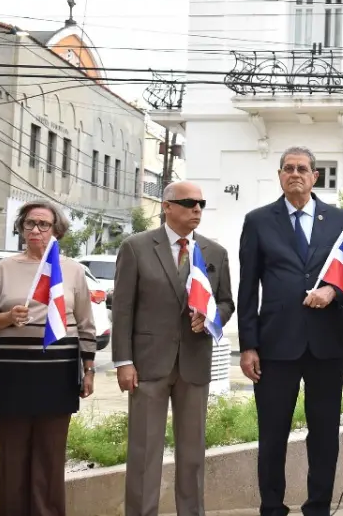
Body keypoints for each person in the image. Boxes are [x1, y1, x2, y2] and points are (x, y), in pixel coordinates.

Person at [238, 147, 343, 516]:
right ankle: (272, 506)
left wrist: (332, 291)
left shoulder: (340, 219)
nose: (295, 174)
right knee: (272, 434)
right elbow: (247, 288)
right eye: (288, 168)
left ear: (315, 176)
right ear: (279, 175)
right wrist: (248, 346)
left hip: (326, 343)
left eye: (302, 169)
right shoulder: (258, 220)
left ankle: (317, 506)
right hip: (275, 345)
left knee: (324, 435)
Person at [111, 181, 235, 516]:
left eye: (201, 204)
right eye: (188, 203)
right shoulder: (136, 247)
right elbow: (123, 308)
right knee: (144, 453)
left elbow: (226, 303)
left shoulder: (215, 252)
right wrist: (123, 361)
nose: (197, 209)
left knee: (192, 454)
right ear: (167, 206)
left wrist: (210, 318)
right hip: (148, 364)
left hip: (194, 363)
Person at [0, 200, 95, 516]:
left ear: (56, 230)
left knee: (49, 456)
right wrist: (7, 317)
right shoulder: (4, 268)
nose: (36, 230)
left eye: (44, 224)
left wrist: (88, 369)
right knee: (13, 457)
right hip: (11, 375)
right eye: (30, 223)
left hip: (56, 375)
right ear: (21, 228)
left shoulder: (71, 270)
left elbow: (85, 324)